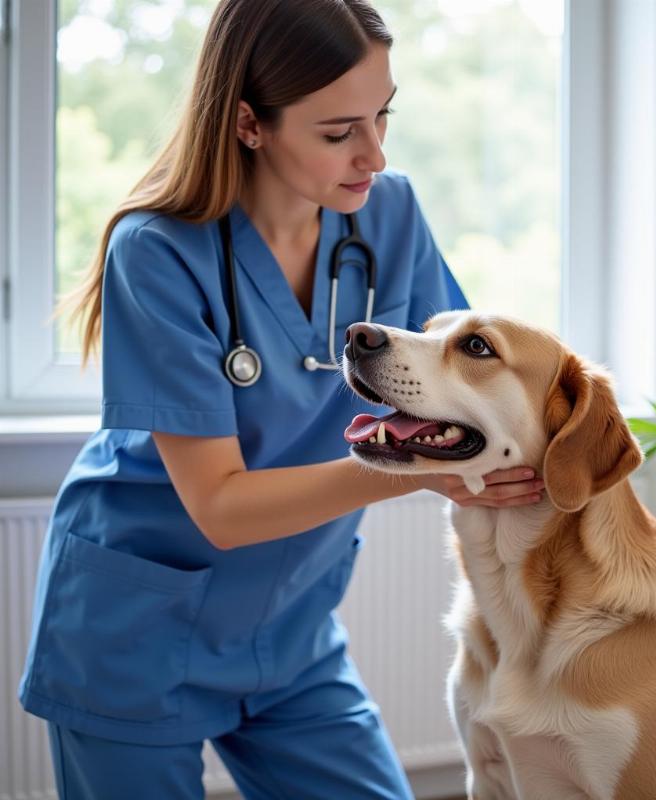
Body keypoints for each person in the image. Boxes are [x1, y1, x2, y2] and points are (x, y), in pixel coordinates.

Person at [18, 1, 545, 797]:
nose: (372, 154)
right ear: (248, 123)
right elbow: (221, 507)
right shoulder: (156, 250)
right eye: (339, 132)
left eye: (382, 117)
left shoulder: (390, 215)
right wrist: (411, 467)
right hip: (132, 633)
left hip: (289, 631)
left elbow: (457, 386)